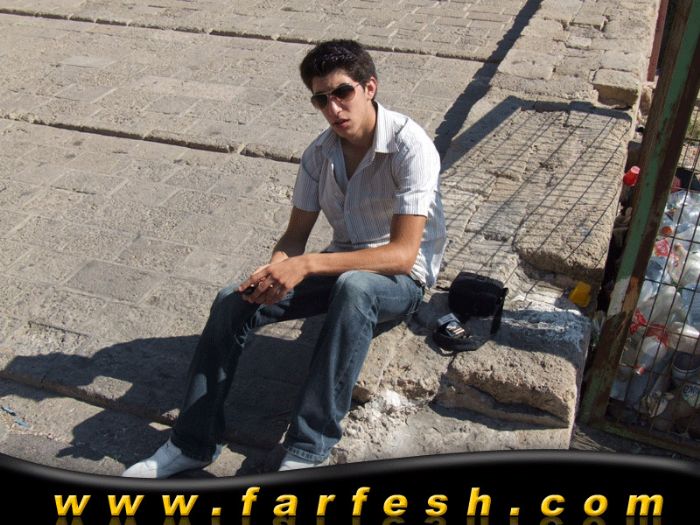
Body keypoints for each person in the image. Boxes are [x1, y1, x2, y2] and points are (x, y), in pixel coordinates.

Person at [122, 39, 446, 478]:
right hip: (340, 262)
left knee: (355, 288)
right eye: (321, 99)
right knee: (232, 299)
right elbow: (295, 236)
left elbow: (403, 255)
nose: (333, 108)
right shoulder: (319, 154)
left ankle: (308, 449)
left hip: (398, 279)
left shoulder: (411, 146)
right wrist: (277, 267)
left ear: (369, 87)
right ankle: (192, 442)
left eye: (342, 93)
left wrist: (306, 264)